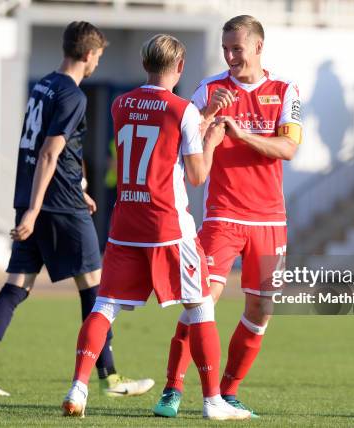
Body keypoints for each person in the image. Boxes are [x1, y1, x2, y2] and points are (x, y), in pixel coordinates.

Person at [61, 33, 250, 421]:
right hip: (168, 225)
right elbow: (196, 175)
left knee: (104, 306)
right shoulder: (182, 110)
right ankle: (213, 401)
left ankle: (78, 388)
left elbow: (156, 135)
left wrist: (205, 117)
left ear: (145, 65)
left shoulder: (120, 104)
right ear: (180, 67)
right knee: (201, 310)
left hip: (125, 223)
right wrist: (211, 137)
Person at [0, 21, 153, 398]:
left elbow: (56, 150)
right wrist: (37, 210)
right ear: (88, 54)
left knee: (16, 286)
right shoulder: (73, 95)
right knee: (97, 289)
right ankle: (109, 377)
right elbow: (49, 150)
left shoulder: (44, 84)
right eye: (99, 55)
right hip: (56, 204)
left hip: (43, 195)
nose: (99, 61)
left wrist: (74, 190)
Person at [153, 15, 302, 418]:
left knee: (262, 308)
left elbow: (288, 149)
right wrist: (205, 120)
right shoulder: (209, 89)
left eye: (237, 48)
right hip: (224, 215)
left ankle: (229, 391)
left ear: (258, 47)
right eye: (226, 49)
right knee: (202, 300)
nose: (231, 56)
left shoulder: (285, 92)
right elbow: (188, 152)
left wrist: (242, 134)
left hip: (271, 220)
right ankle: (172, 388)